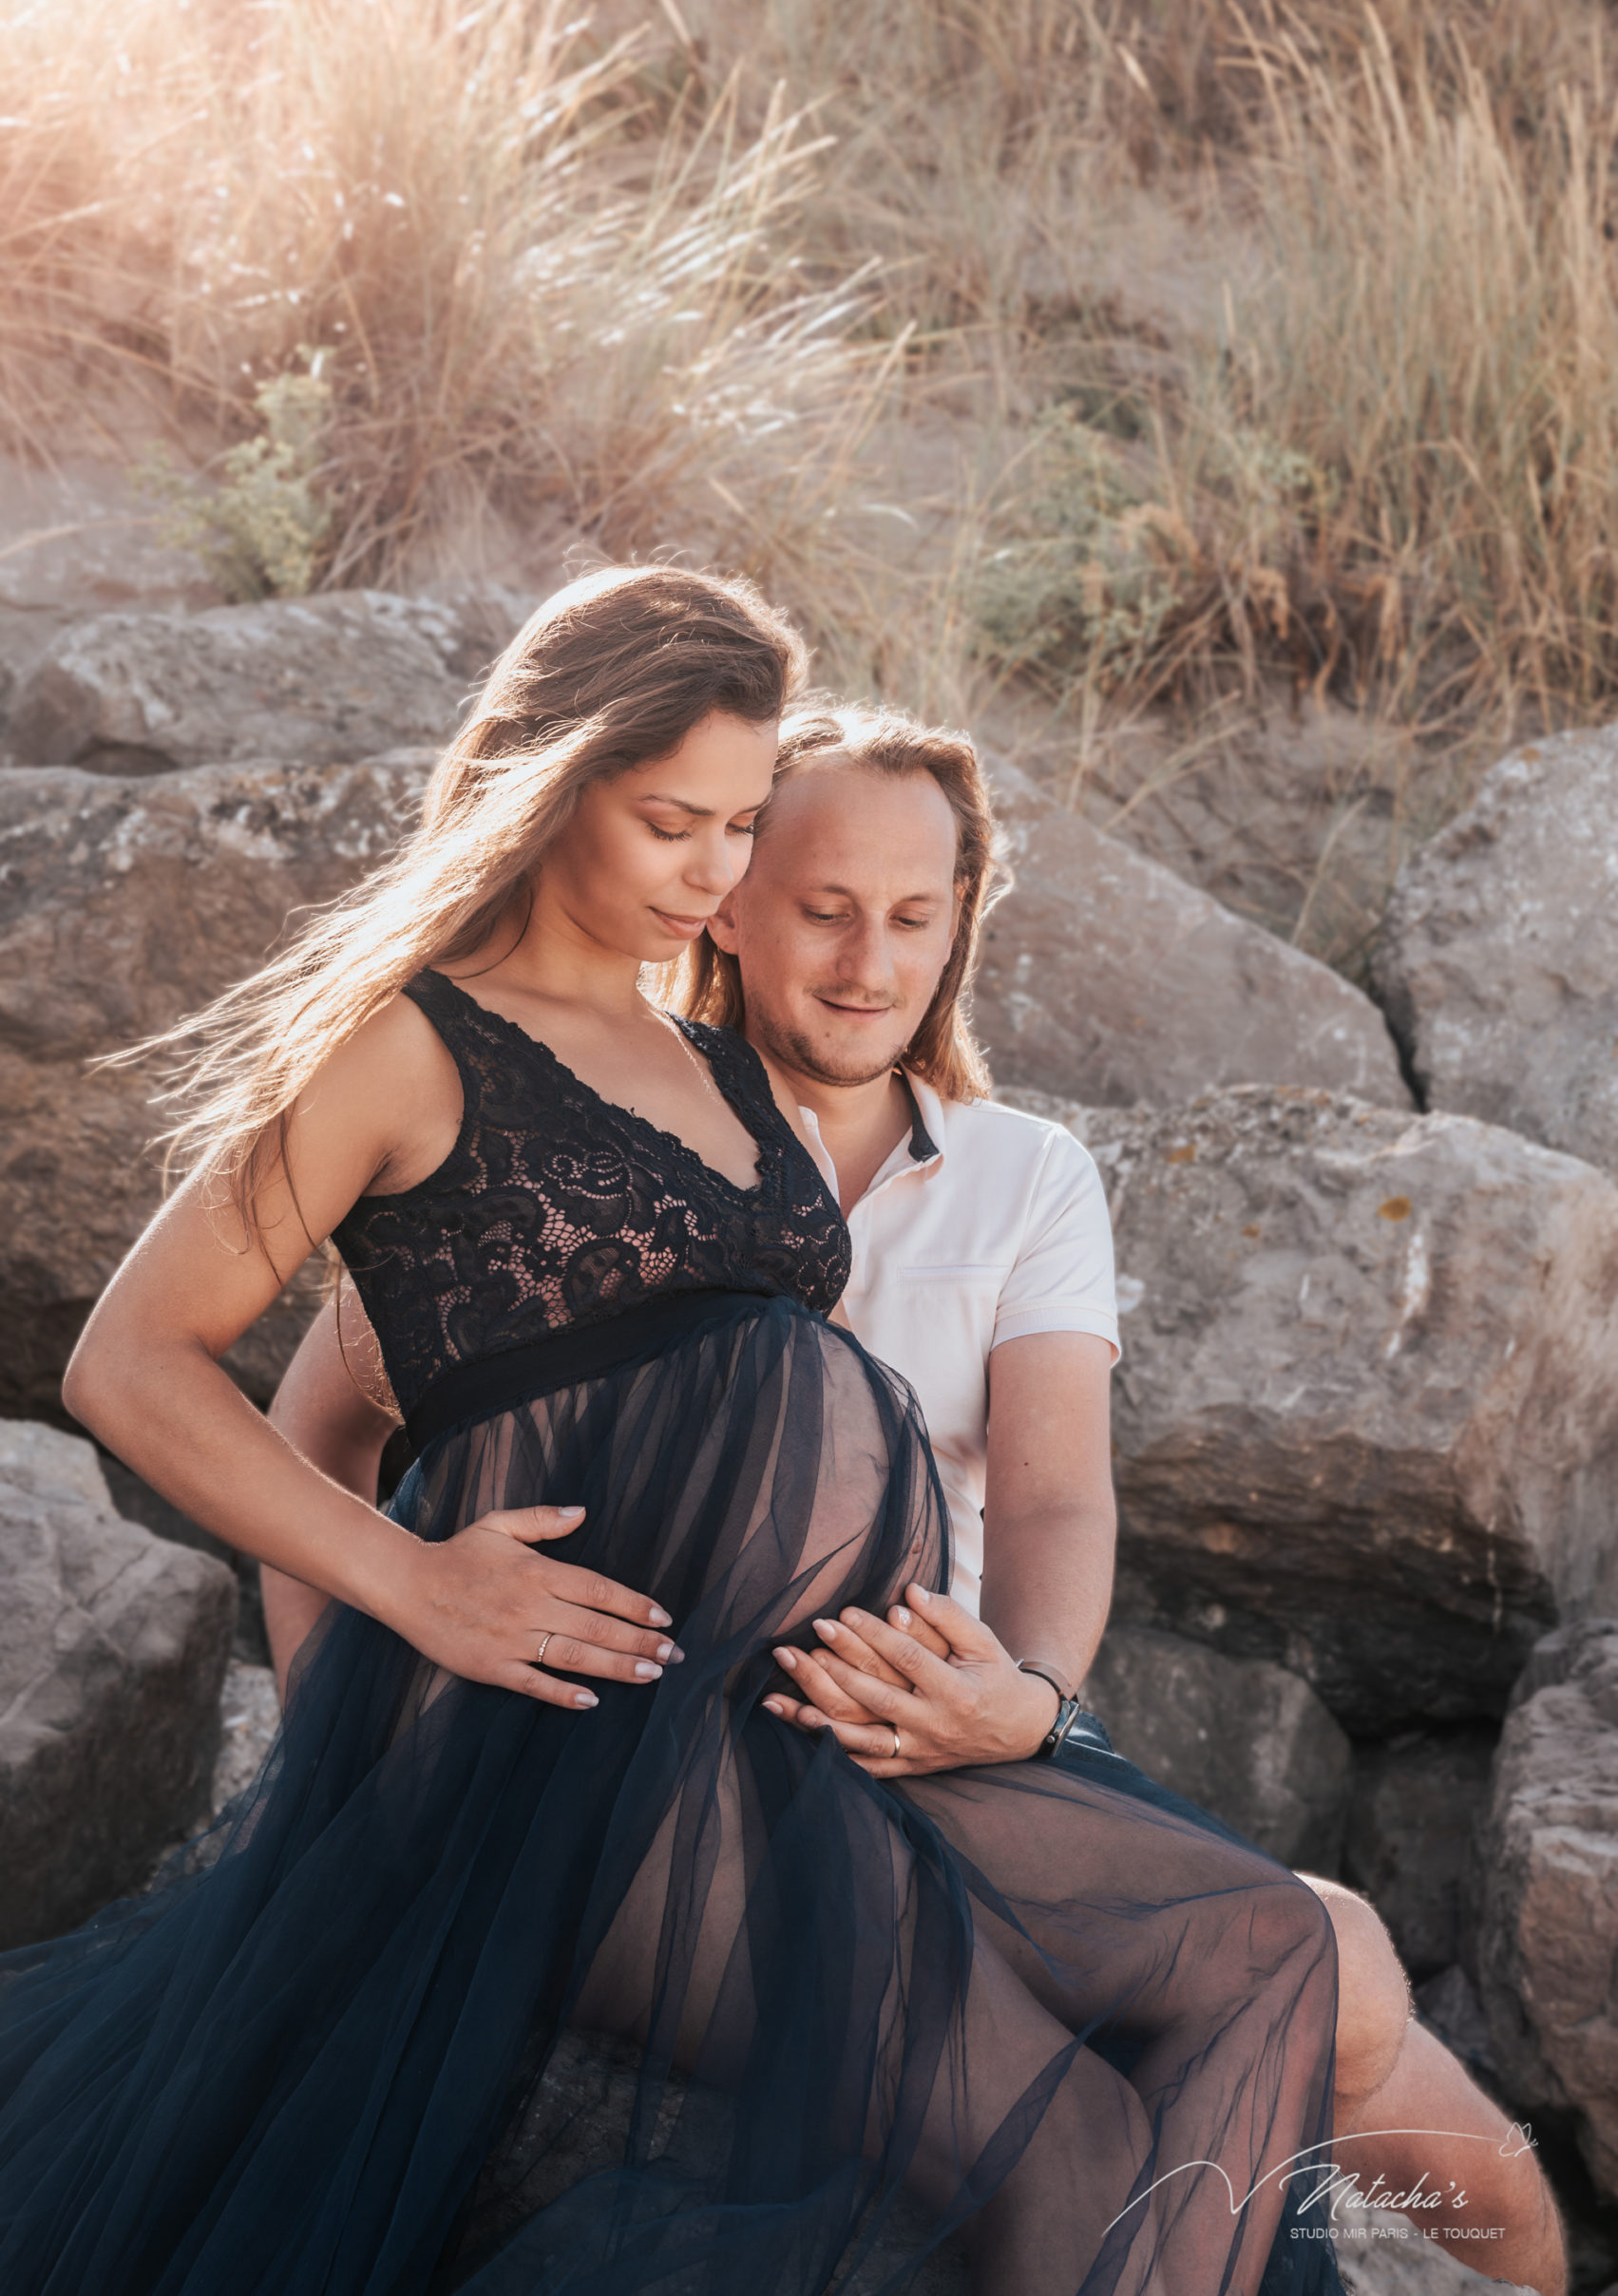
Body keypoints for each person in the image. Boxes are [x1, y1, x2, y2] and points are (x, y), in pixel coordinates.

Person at [0, 568, 1347, 2296]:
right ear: (550, 785)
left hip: (803, 1720)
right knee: (1071, 2155)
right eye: (674, 823)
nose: (718, 873)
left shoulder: (709, 1062)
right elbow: (136, 1363)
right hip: (609, 1762)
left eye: (737, 826)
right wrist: (409, 1597)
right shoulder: (408, 1048)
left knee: (1261, 1941)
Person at [263, 694, 1569, 2296]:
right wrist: (347, 1725)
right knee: (1210, 2050)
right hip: (675, 1765)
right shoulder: (582, 1151)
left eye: (910, 919)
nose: (866, 965)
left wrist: (1028, 1700)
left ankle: (1514, 2266)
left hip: (934, 1729)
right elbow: (312, 1422)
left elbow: (1052, 1508)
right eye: (822, 912)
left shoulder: (1025, 1176)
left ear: (961, 927)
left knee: (1358, 1997)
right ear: (729, 902)